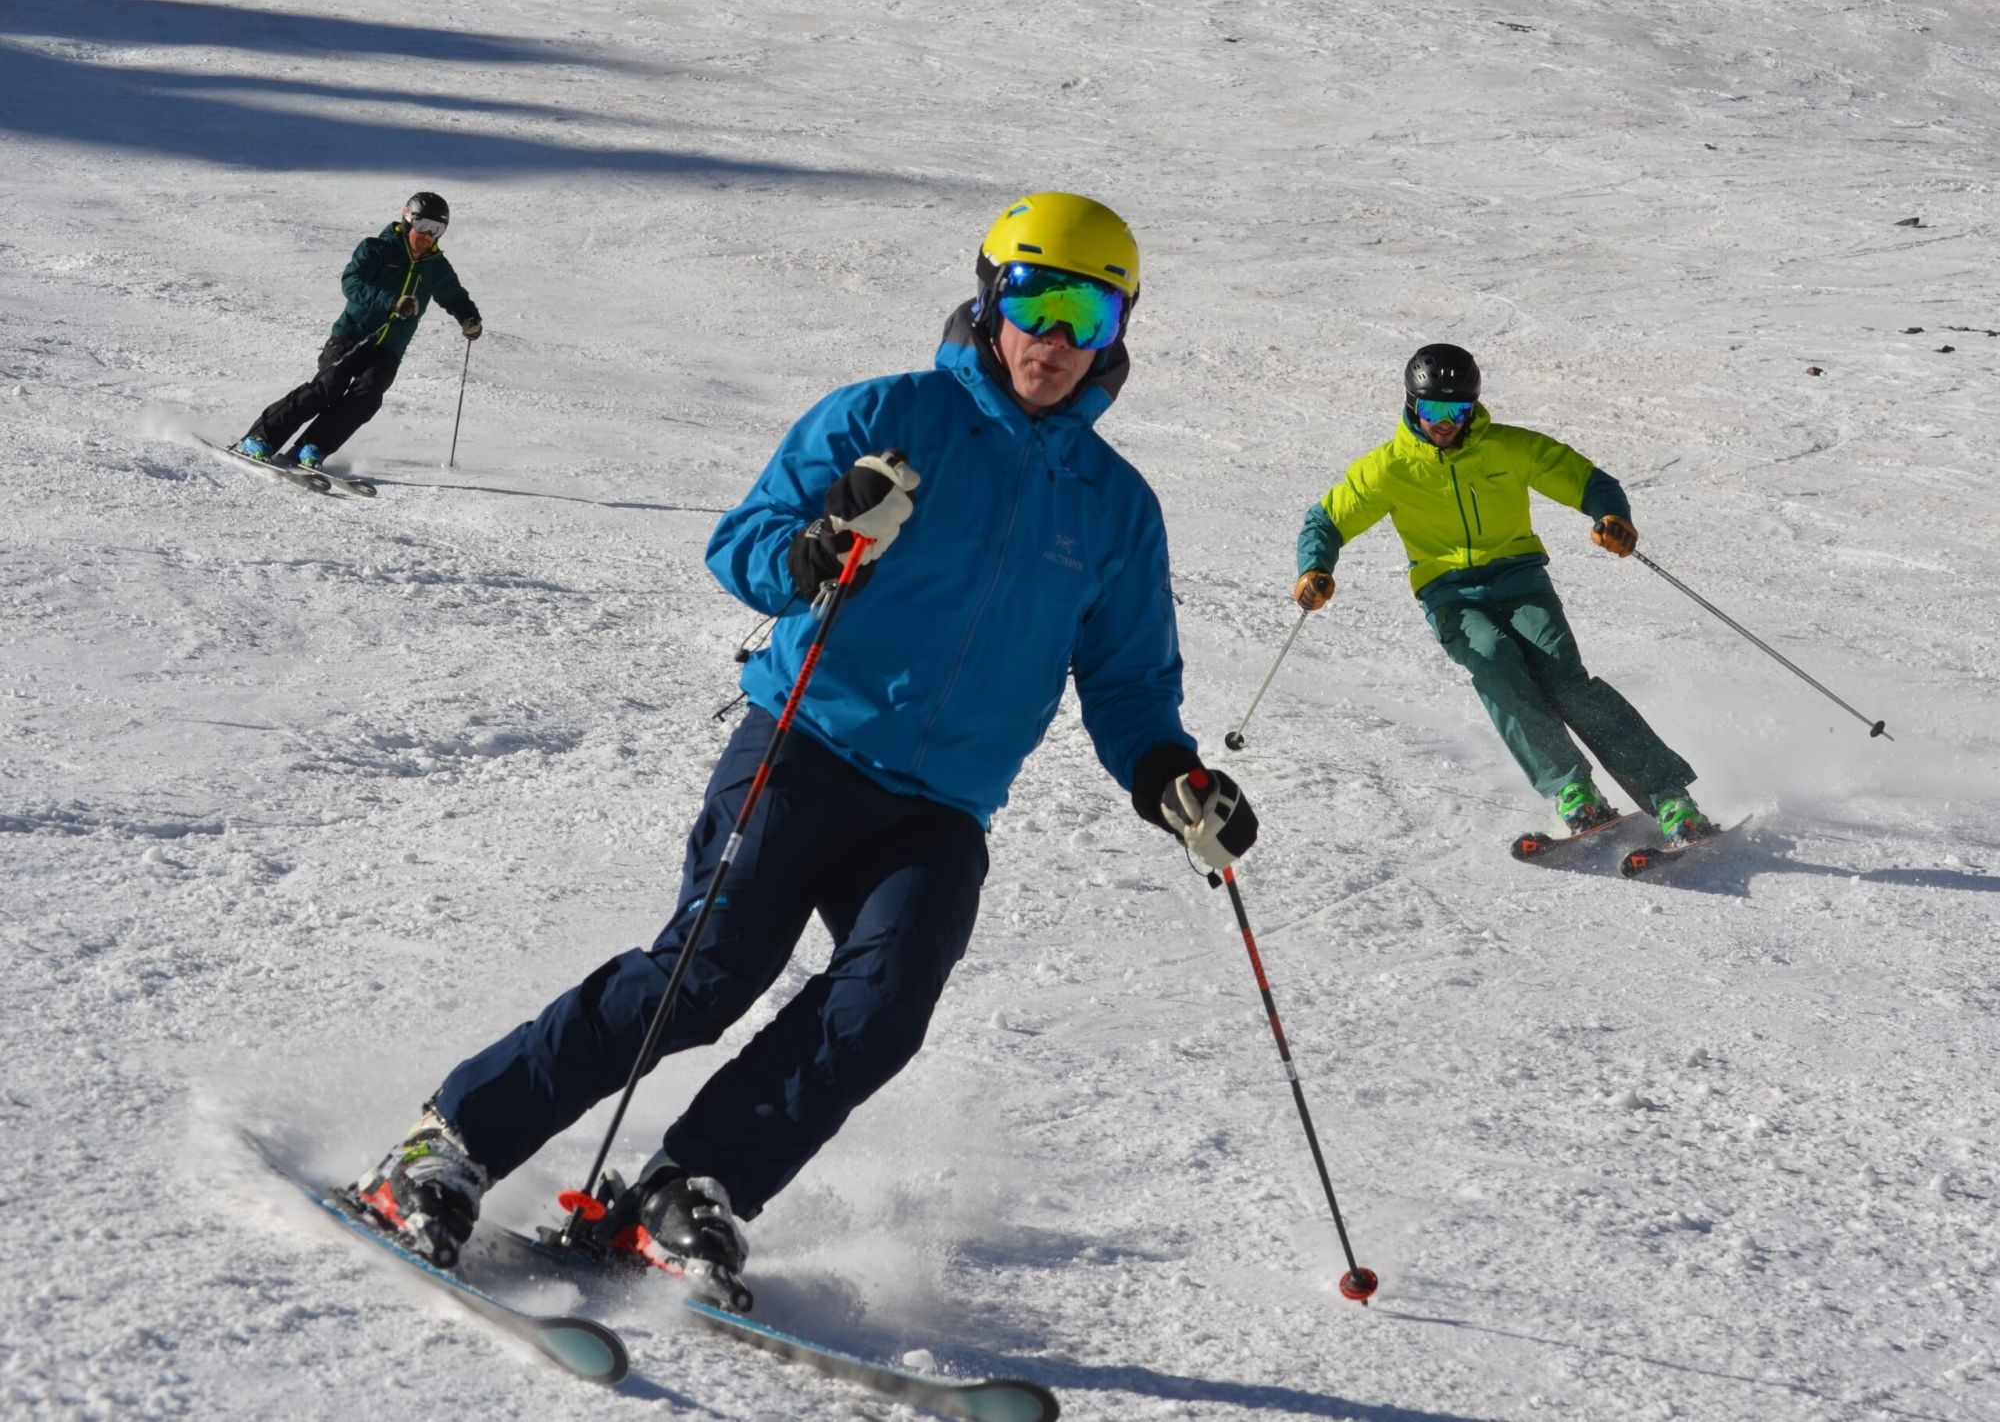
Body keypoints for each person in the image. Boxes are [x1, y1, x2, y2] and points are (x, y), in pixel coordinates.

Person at [351, 193, 1259, 1294]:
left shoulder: (1114, 507)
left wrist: (1168, 774)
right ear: (989, 297)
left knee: (879, 1013)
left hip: (940, 807)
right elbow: (743, 546)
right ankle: (449, 1143)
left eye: (1092, 316)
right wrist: (820, 545)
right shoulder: (887, 417)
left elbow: (1127, 683)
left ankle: (690, 1187)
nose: (1057, 341)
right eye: (1037, 300)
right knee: (701, 980)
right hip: (804, 745)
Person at [1292, 342, 1715, 844]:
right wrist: (1314, 568)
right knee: (1493, 662)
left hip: (1520, 579)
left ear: (1473, 407)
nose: (1443, 422)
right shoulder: (1388, 468)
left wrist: (1612, 517)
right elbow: (1327, 518)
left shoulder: (1509, 448)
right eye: (1432, 409)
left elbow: (1587, 480)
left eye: (1456, 410)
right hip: (1449, 593)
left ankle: (1669, 797)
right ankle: (1573, 790)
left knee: (1565, 680)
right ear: (1411, 405)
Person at [235, 191, 481, 471]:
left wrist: (469, 319)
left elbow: (454, 296)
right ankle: (259, 438)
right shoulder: (377, 249)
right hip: (352, 335)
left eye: (437, 230)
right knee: (327, 388)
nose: (428, 236)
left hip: (389, 348)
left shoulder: (436, 267)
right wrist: (391, 302)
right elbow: (351, 283)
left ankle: (310, 447)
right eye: (424, 226)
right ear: (408, 220)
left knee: (367, 398)